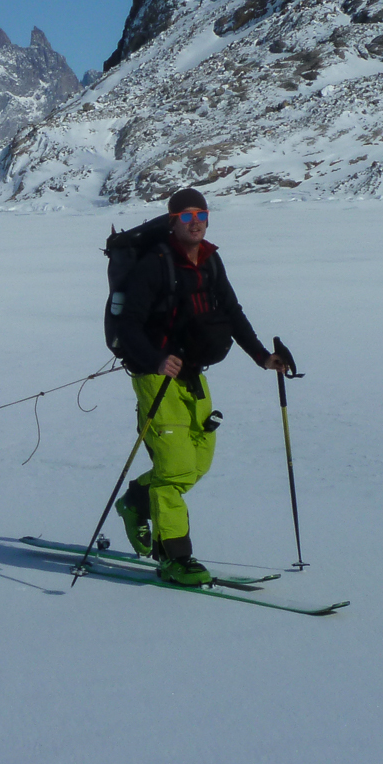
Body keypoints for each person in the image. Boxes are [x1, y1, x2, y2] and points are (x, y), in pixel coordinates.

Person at [111, 187, 289, 585]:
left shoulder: (210, 259)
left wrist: (262, 357)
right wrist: (157, 358)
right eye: (187, 217)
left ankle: (137, 499)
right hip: (156, 375)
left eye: (201, 215)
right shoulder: (155, 264)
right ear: (173, 221)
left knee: (199, 462)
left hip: (193, 373)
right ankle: (175, 558)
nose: (195, 223)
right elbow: (128, 324)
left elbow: (231, 310)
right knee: (174, 470)